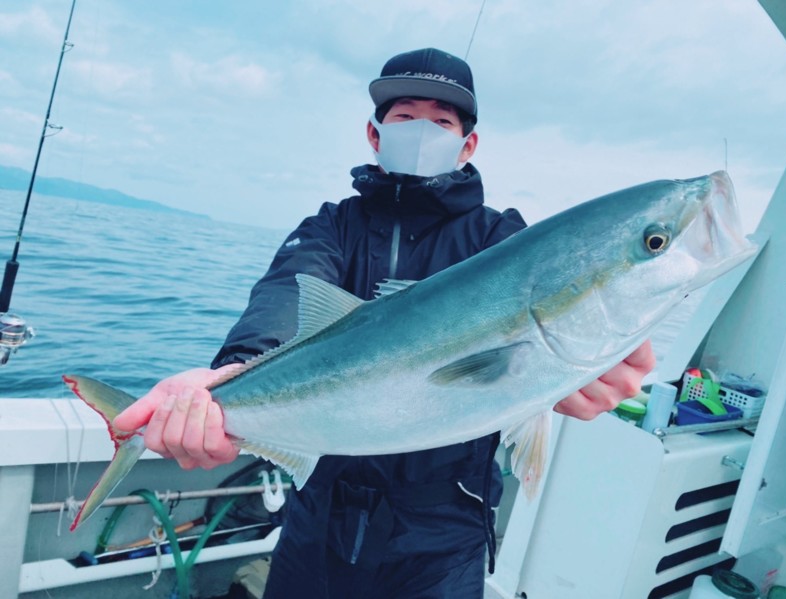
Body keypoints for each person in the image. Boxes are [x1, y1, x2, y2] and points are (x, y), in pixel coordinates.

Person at [114, 48, 655, 598]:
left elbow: (545, 314)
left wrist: (576, 374)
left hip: (443, 535)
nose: (422, 130)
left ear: (468, 145)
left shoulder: (500, 242)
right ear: (374, 134)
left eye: (441, 121)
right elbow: (286, 296)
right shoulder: (332, 227)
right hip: (317, 517)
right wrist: (232, 374)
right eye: (405, 116)